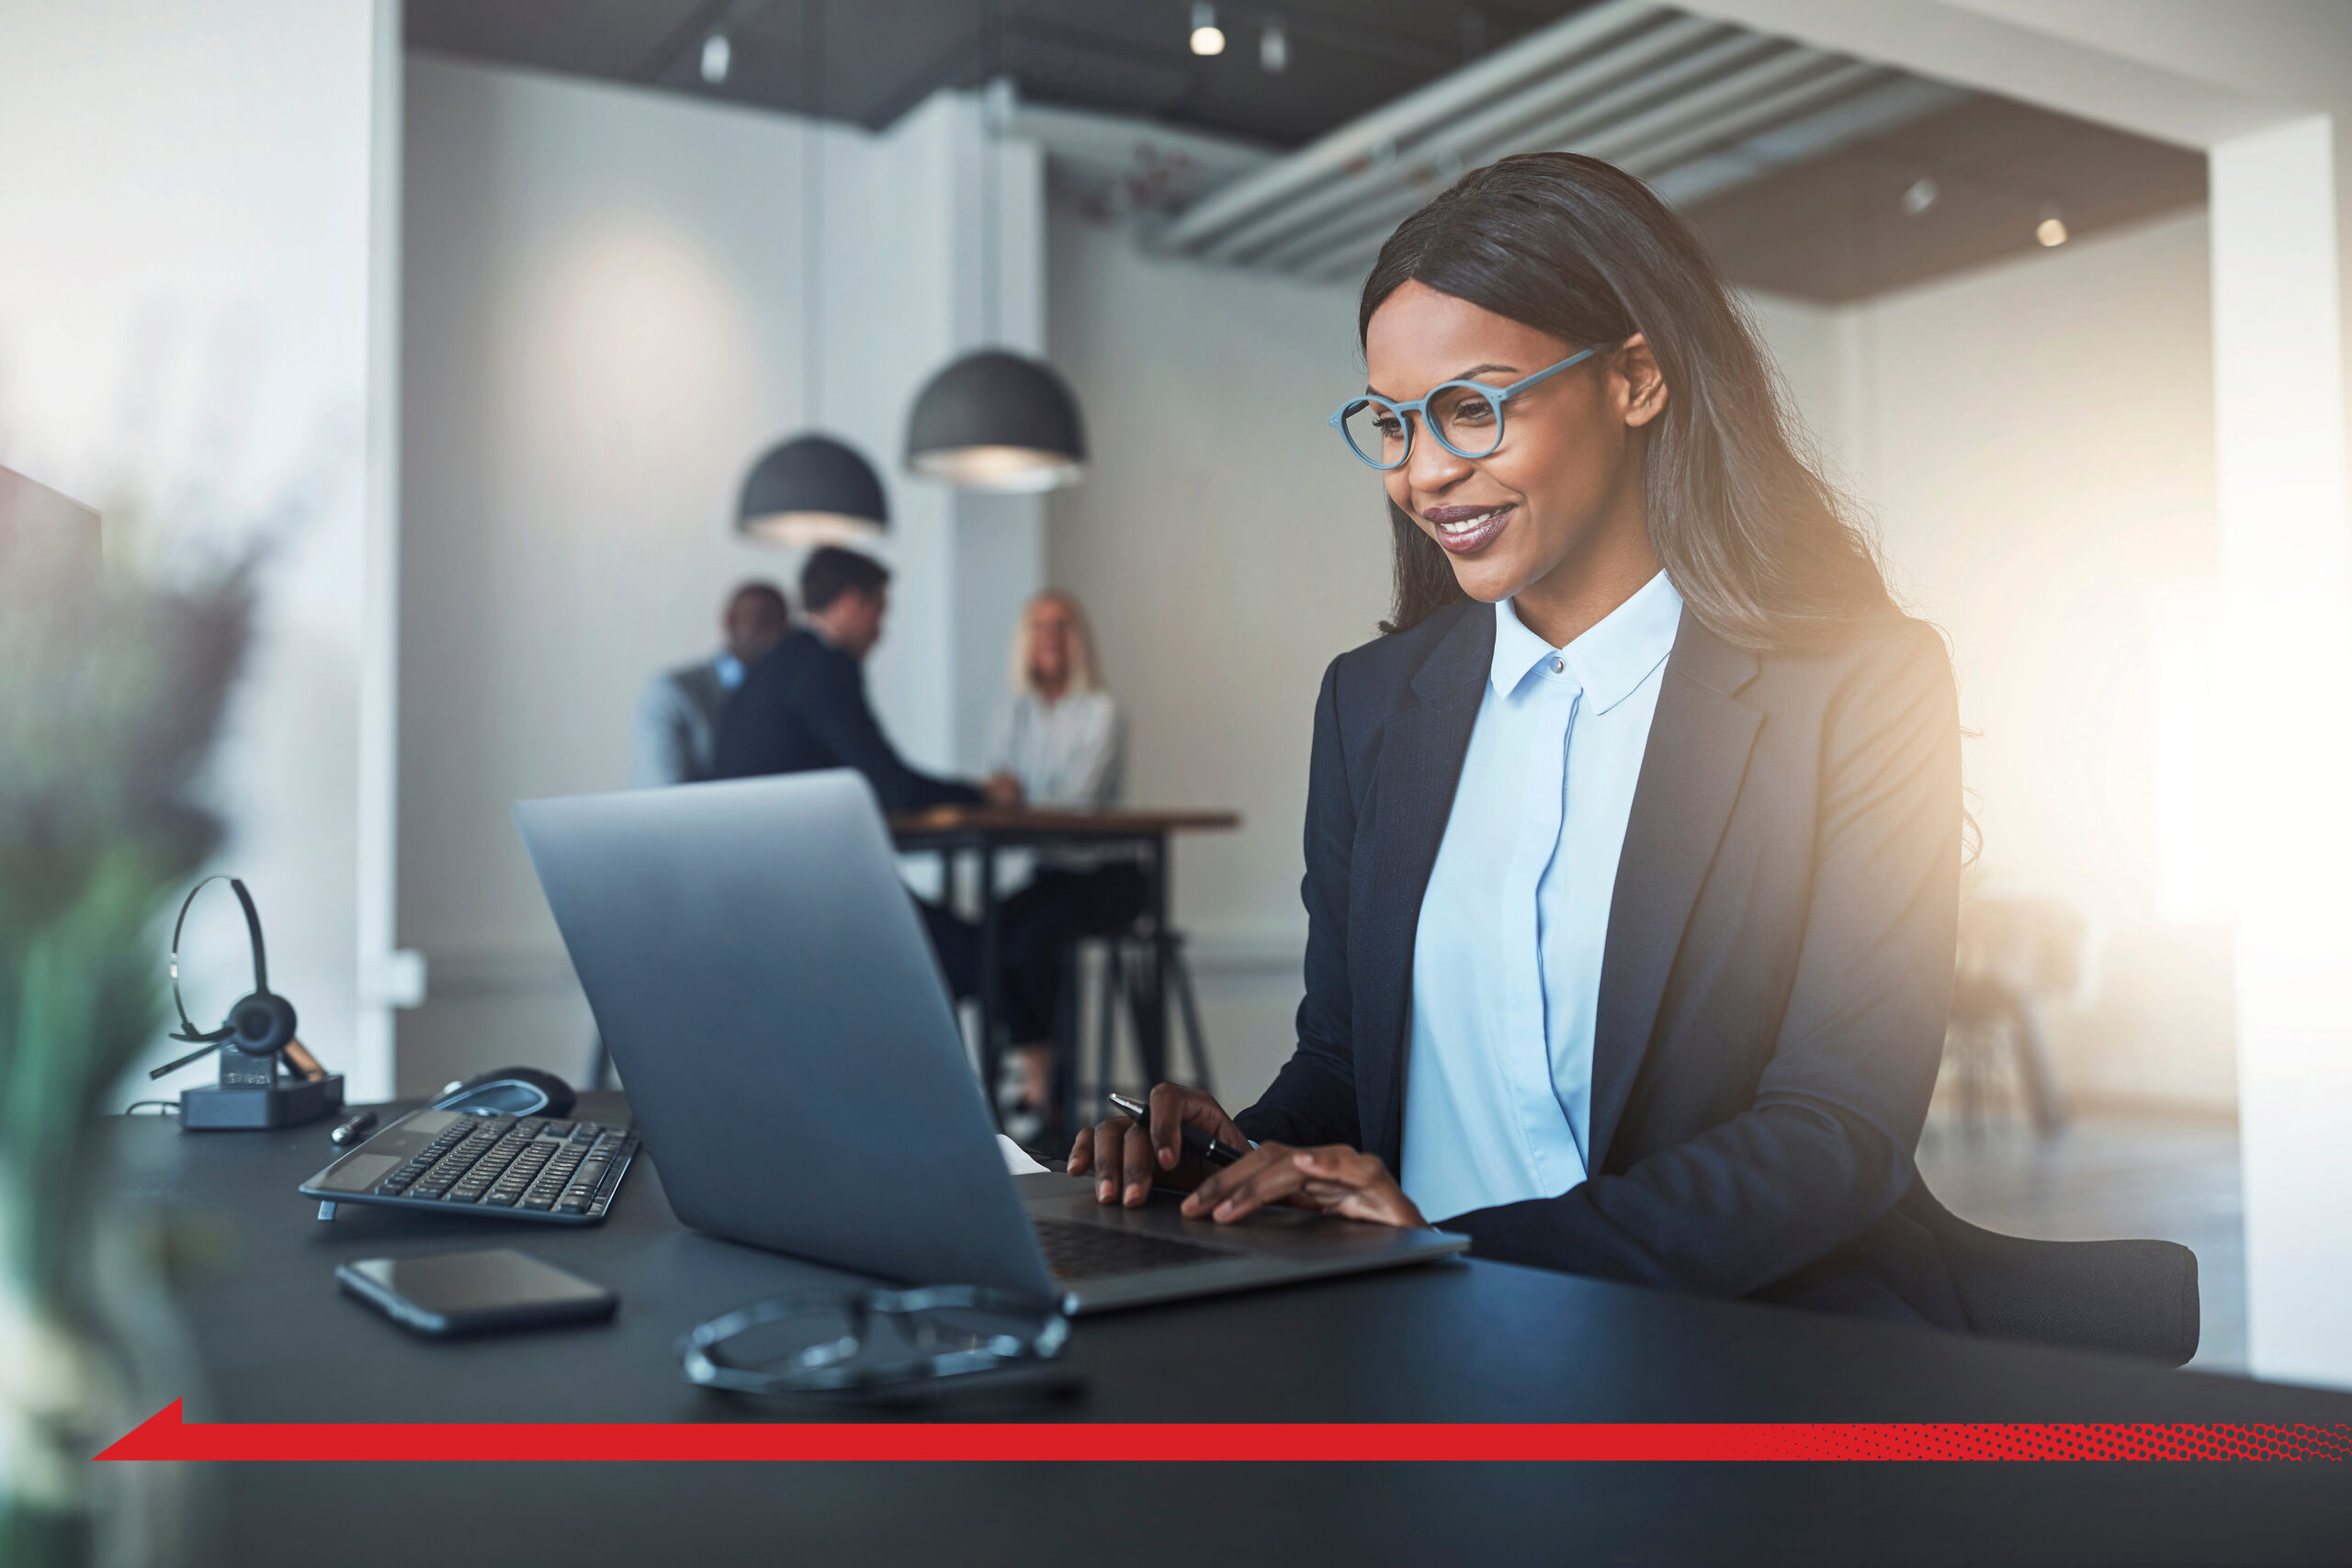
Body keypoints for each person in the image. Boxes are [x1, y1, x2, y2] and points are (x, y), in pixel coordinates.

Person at [1071, 152, 1967, 1329]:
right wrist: (1234, 1157)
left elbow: (1838, 1129)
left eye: (1472, 406)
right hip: (1415, 1345)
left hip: (1715, 1356)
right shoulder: (1369, 705)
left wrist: (1468, 1254)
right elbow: (1348, 1062)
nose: (1426, 472)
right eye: (1391, 424)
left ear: (1636, 378)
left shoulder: (1859, 687)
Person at [712, 546, 1016, 998]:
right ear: (852, 603)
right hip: (811, 897)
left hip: (749, 897)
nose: (881, 632)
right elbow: (891, 786)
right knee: (982, 959)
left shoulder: (772, 666)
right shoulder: (825, 666)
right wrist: (982, 796)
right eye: (879, 613)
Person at [985, 592, 1145, 1134]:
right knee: (990, 933)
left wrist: (1019, 800)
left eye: (1060, 625)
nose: (1049, 636)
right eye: (1038, 626)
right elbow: (999, 790)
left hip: (1107, 876)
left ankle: (1046, 1094)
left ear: (1076, 639)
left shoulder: (1100, 710)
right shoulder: (1015, 712)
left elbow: (1077, 802)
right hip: (1051, 873)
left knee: (1034, 941)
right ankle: (1040, 1078)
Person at [633, 581, 789, 786]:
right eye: (761, 620)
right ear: (730, 622)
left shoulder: (787, 696)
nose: (773, 633)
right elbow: (663, 792)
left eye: (781, 624)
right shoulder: (671, 693)